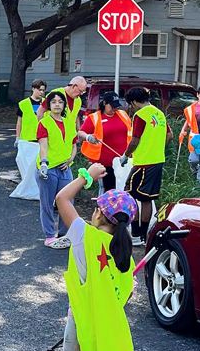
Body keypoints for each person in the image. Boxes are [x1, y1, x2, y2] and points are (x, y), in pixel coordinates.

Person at [52, 164, 139, 351]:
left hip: (81, 322)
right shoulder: (124, 254)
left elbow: (62, 199)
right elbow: (124, 294)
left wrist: (86, 175)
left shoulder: (83, 236)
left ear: (100, 215)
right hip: (110, 326)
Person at [118, 87, 171, 245]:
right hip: (158, 161)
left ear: (133, 102)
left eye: (130, 104)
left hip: (142, 163)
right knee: (147, 199)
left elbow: (135, 140)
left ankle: (135, 235)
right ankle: (143, 235)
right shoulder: (159, 113)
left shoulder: (140, 115)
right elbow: (169, 135)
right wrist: (157, 148)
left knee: (130, 196)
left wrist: (125, 156)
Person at [36, 90, 77, 249]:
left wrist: (71, 159)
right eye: (54, 102)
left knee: (67, 201)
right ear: (49, 106)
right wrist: (44, 163)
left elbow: (74, 145)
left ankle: (64, 234)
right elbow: (43, 145)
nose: (57, 104)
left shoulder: (69, 122)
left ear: (64, 105)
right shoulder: (44, 123)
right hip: (49, 168)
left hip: (65, 167)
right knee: (47, 203)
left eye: (60, 102)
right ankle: (49, 235)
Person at [78, 92, 132, 192]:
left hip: (122, 160)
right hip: (104, 162)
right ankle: (103, 207)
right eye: (112, 106)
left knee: (123, 188)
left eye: (116, 106)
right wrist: (88, 137)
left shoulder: (123, 115)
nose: (114, 109)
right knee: (107, 189)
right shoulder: (94, 117)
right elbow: (80, 132)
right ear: (104, 103)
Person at [15, 79, 47, 144]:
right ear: (33, 89)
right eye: (39, 90)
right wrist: (17, 137)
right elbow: (19, 122)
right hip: (27, 139)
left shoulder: (47, 103)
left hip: (42, 139)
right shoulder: (23, 104)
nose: (42, 92)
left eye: (43, 90)